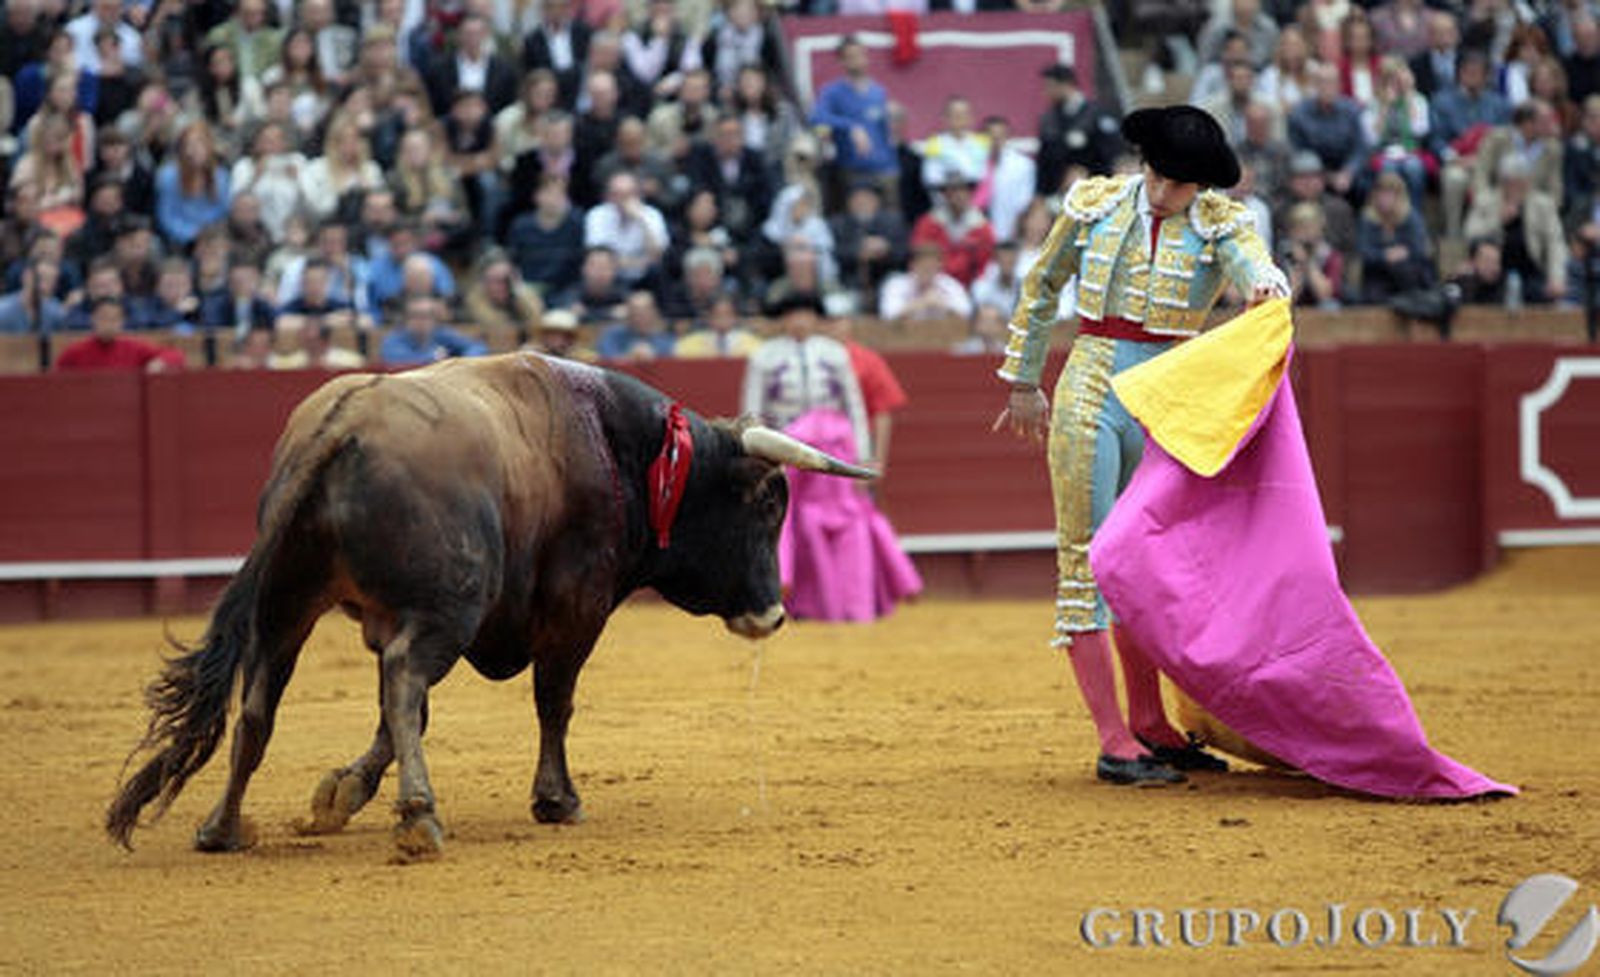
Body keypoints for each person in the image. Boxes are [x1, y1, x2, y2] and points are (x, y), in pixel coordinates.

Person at [992, 105, 1288, 786]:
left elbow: (1252, 265)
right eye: (1156, 175)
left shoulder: (1221, 221)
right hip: (1092, 386)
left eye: (1178, 185)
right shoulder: (1096, 203)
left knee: (1145, 569)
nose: (1161, 193)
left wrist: (1266, 283)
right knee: (1087, 559)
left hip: (1167, 400)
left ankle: (1151, 721)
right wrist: (1023, 380)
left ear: (1201, 186)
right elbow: (1041, 284)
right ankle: (1111, 736)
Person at [741, 291, 919, 622]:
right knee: (790, 521)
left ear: (816, 319)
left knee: (840, 521)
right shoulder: (764, 357)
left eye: (806, 314)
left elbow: (853, 406)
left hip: (833, 450)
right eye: (793, 314)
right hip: (785, 448)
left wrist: (862, 459)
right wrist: (756, 459)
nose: (800, 321)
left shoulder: (834, 354)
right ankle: (798, 604)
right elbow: (752, 411)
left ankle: (842, 603)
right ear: (783, 319)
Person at [55, 296, 185, 371]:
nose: (108, 323)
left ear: (122, 322)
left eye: (114, 319)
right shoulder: (76, 351)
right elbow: (54, 379)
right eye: (103, 318)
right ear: (93, 319)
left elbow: (176, 355)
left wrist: (160, 362)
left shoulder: (134, 347)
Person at [379, 295, 487, 366]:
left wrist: (458, 363)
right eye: (415, 315)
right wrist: (433, 357)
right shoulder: (394, 340)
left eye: (427, 316)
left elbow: (477, 347)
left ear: (434, 319)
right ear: (406, 319)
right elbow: (398, 361)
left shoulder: (441, 334)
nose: (421, 321)